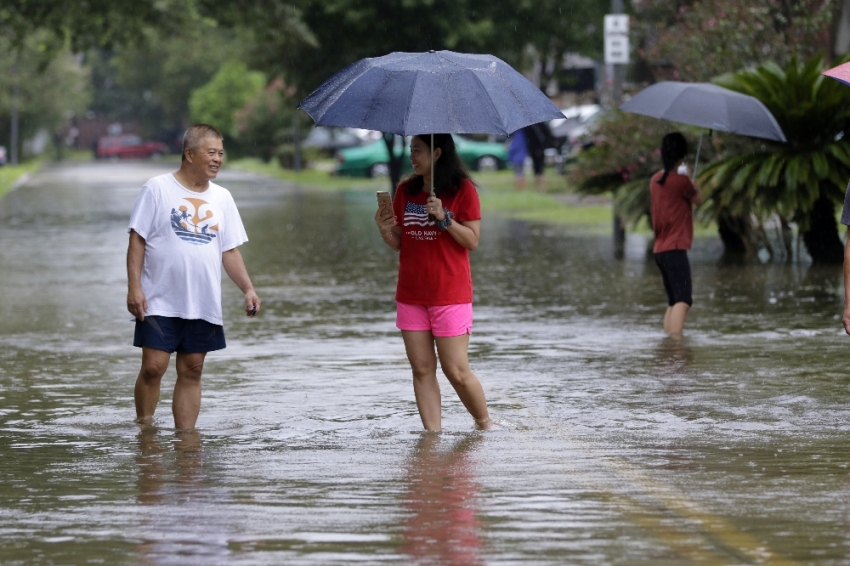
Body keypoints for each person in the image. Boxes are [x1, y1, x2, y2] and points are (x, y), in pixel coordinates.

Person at [127, 124, 261, 430]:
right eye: (210, 152)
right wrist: (134, 287)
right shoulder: (157, 188)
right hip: (158, 297)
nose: (217, 159)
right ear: (189, 154)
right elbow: (137, 239)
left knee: (192, 372)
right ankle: (145, 432)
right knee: (153, 367)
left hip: (202, 300)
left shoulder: (223, 198)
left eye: (221, 153)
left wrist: (248, 289)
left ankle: (186, 443)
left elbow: (229, 251)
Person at [374, 133, 491, 432]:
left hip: (450, 293)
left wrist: (445, 218)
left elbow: (473, 241)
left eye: (418, 151)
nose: (412, 157)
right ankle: (432, 438)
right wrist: (385, 229)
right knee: (422, 369)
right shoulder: (405, 190)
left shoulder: (463, 190)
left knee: (456, 370)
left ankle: (484, 424)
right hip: (411, 294)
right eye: (411, 150)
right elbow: (401, 243)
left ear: (437, 153)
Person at [650, 132, 703, 338]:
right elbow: (699, 201)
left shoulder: (655, 180)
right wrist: (691, 180)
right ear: (681, 157)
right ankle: (676, 345)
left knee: (673, 301)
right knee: (684, 299)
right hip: (675, 248)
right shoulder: (682, 183)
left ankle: (668, 343)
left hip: (660, 250)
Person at [524, 121, 552, 191]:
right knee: (538, 168)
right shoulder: (534, 124)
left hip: (537, 149)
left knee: (539, 169)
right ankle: (539, 187)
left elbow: (538, 137)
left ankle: (541, 187)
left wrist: (539, 148)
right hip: (536, 149)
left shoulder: (534, 125)